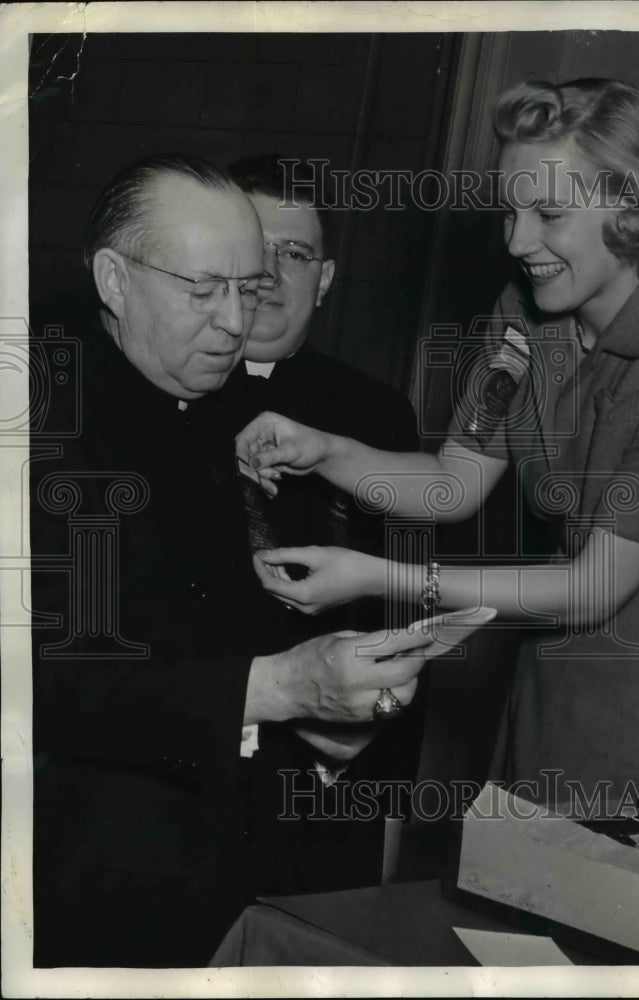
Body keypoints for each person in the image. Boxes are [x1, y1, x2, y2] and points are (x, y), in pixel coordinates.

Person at [236, 78, 639, 818]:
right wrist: (323, 449)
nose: (516, 242)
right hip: (550, 654)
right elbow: (453, 480)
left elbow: (593, 588)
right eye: (509, 212)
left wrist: (376, 575)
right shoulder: (522, 314)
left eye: (547, 213)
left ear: (632, 206)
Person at [30, 154, 432, 967]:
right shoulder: (43, 421)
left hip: (247, 863)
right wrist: (286, 686)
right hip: (100, 890)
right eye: (201, 290)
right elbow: (54, 684)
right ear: (114, 279)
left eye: (246, 290)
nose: (232, 325)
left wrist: (327, 722)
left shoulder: (227, 409)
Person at [225, 153, 426, 891]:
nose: (271, 276)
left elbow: (410, 606)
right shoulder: (156, 401)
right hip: (191, 761)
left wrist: (376, 774)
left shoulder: (376, 416)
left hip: (333, 773)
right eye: (253, 252)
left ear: (327, 280)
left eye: (295, 255)